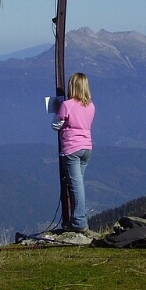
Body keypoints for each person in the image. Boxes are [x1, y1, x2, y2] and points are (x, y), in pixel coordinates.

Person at [51, 72, 95, 233]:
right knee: (78, 183)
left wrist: (58, 110)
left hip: (71, 148)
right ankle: (78, 218)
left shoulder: (67, 105)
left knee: (76, 185)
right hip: (86, 147)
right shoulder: (90, 106)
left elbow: (56, 125)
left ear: (72, 86)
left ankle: (79, 221)